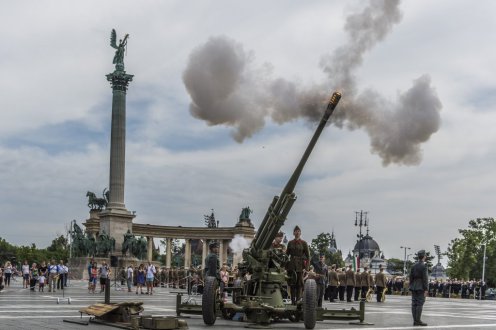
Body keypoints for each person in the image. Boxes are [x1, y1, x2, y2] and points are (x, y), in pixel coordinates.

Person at [286, 225, 310, 305]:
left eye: (298, 231)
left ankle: (298, 300)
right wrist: (286, 267)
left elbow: (308, 257)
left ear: (300, 233)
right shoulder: (290, 243)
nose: (297, 233)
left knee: (299, 284)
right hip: (292, 265)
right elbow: (286, 255)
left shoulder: (304, 243)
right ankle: (293, 301)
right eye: (296, 231)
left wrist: (306, 268)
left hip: (300, 265)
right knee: (292, 284)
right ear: (293, 233)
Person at [409, 249, 429, 326]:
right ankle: (418, 321)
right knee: (420, 303)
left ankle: (415, 320)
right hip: (421, 286)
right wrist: (426, 289)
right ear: (424, 256)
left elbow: (410, 277)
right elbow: (425, 278)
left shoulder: (413, 266)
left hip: (414, 286)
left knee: (414, 304)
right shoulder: (424, 266)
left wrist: (411, 285)